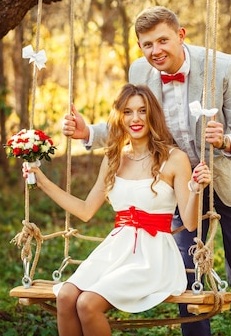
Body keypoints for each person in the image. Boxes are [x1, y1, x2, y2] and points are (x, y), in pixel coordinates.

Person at [62, 6, 231, 336]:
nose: (155, 51)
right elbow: (133, 124)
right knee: (189, 275)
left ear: (181, 36)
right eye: (147, 44)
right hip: (180, 184)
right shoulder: (140, 72)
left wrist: (226, 141)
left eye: (163, 41)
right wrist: (89, 134)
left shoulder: (221, 66)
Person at [25, 83, 211, 336]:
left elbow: (190, 223)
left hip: (153, 256)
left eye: (142, 111)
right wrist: (42, 181)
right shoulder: (114, 157)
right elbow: (85, 210)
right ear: (119, 117)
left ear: (152, 115)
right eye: (127, 111)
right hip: (117, 248)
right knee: (67, 296)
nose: (135, 119)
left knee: (87, 303)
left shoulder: (173, 158)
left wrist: (197, 188)